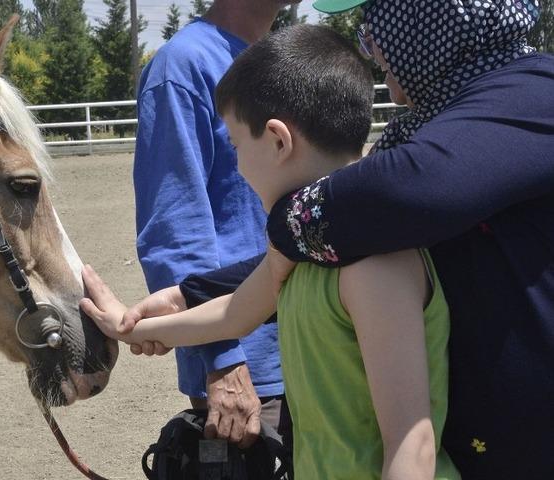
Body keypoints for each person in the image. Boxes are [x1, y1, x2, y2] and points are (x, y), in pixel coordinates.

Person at [124, 1, 554, 478]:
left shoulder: (531, 96)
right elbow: (325, 241)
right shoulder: (437, 120)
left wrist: (285, 216)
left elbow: (395, 196)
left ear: (431, 19)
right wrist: (180, 299)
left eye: (380, 24)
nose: (373, 48)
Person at [82, 24, 461, 479]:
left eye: (238, 145)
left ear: (279, 141)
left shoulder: (372, 264)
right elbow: (233, 315)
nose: (238, 165)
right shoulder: (302, 246)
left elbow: (411, 442)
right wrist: (129, 327)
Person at [132, 0, 299, 447]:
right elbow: (174, 228)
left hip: (316, 344)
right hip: (252, 370)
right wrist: (222, 360)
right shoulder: (184, 66)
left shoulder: (286, 58)